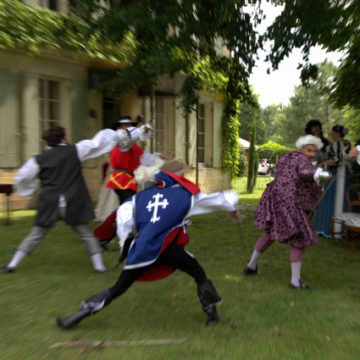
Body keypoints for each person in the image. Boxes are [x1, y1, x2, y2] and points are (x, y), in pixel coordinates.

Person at [56, 158, 241, 328]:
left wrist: (125, 244)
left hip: (142, 249)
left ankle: (75, 317)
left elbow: (123, 218)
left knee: (118, 289)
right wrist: (233, 209)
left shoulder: (139, 198)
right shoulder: (186, 197)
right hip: (166, 248)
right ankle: (212, 317)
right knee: (198, 273)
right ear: (179, 176)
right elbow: (220, 200)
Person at [1, 124, 151, 274]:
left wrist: (28, 189)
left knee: (36, 235)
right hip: (72, 202)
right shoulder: (76, 150)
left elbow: (22, 176)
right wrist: (135, 132)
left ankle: (12, 265)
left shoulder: (39, 159)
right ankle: (99, 267)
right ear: (63, 138)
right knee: (86, 234)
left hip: (50, 204)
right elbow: (100, 142)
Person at [243, 135, 323, 289]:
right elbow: (305, 171)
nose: (312, 153)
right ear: (302, 148)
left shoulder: (287, 157)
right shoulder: (302, 160)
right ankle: (295, 281)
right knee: (300, 236)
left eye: (314, 151)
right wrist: (317, 174)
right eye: (309, 150)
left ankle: (251, 266)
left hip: (276, 199)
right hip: (291, 202)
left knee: (271, 232)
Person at [313, 125, 352, 237]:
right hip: (345, 175)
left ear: (337, 133)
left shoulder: (337, 144)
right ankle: (345, 228)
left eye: (332, 132)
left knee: (331, 199)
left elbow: (337, 160)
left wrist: (322, 163)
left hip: (336, 174)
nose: (331, 134)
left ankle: (328, 228)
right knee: (344, 200)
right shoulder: (347, 143)